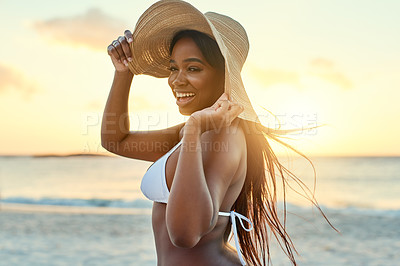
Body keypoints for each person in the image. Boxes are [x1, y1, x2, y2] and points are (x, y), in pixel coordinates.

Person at [101, 1, 334, 265]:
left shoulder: (220, 135)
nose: (176, 80)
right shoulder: (204, 130)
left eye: (193, 68)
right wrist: (124, 72)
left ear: (223, 74)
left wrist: (192, 130)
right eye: (173, 67)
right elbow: (116, 141)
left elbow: (185, 234)